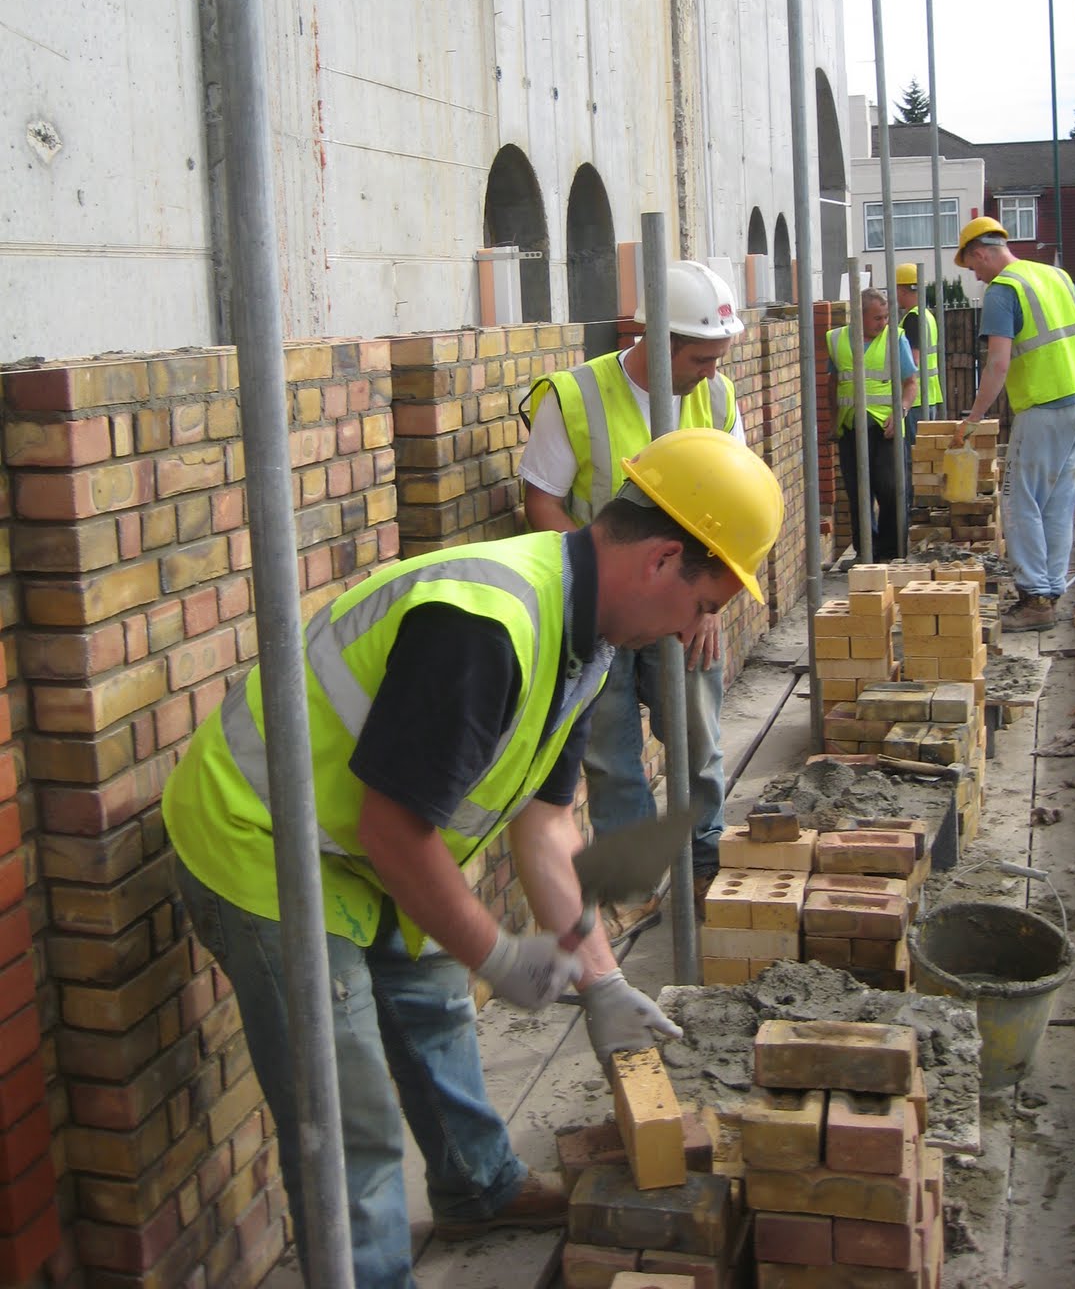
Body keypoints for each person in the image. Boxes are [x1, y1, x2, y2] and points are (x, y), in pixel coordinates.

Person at [164, 428, 784, 1288]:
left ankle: (477, 1188)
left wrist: (598, 980)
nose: (695, 632)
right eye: (705, 606)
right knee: (353, 1118)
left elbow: (546, 824)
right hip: (261, 840)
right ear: (664, 559)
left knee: (430, 999)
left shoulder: (587, 640)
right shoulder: (483, 626)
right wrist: (496, 952)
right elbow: (393, 833)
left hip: (355, 844)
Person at [519, 260, 745, 934]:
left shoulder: (719, 397)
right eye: (702, 357)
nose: (713, 371)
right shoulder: (576, 396)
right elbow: (543, 502)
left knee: (698, 735)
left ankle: (706, 861)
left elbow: (737, 511)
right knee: (610, 753)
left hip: (685, 605)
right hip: (603, 615)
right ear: (658, 340)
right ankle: (636, 887)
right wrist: (602, 594)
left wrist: (709, 606)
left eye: (719, 358)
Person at [951, 218, 1075, 631]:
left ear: (982, 253)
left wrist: (974, 418)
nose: (975, 275)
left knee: (1019, 500)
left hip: (1042, 406)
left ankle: (1034, 598)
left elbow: (998, 363)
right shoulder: (1055, 275)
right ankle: (1049, 592)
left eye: (972, 266)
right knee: (1056, 501)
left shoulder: (1004, 290)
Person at [826, 286, 918, 563]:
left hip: (884, 428)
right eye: (877, 318)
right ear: (859, 317)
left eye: (886, 316)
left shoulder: (894, 339)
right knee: (858, 493)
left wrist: (900, 410)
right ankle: (866, 551)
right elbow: (833, 383)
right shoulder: (837, 339)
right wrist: (833, 421)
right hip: (851, 427)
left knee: (891, 489)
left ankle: (891, 552)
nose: (884, 323)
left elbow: (910, 383)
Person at [894, 263, 942, 513]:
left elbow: (912, 362)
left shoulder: (912, 318)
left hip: (915, 400)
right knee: (924, 458)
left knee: (913, 460)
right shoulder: (928, 315)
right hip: (930, 396)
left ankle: (914, 511)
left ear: (902, 289)